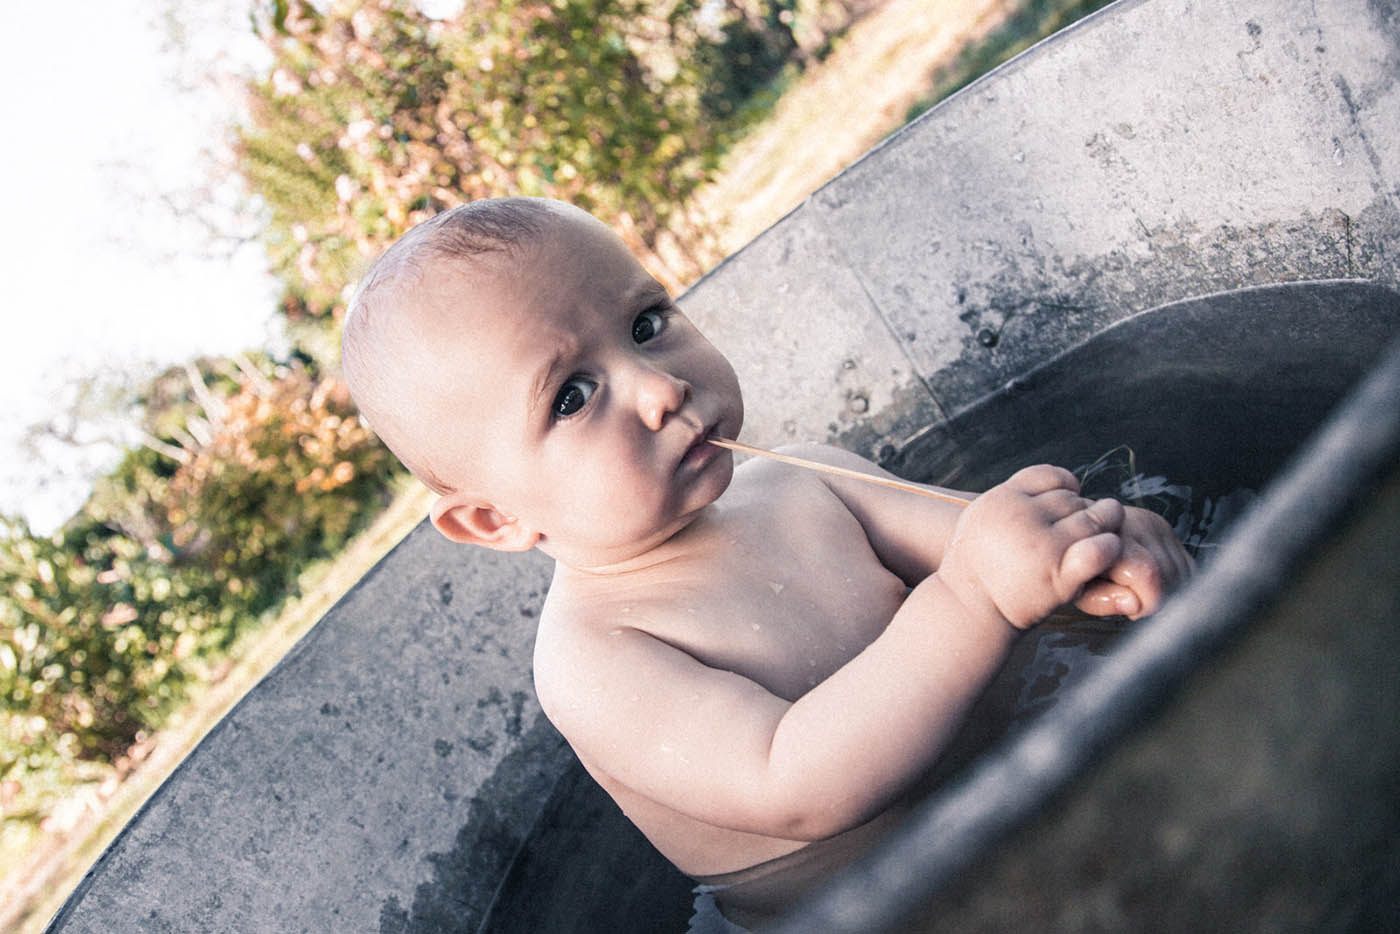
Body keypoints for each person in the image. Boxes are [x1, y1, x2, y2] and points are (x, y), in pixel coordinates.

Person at [340, 197, 1192, 929]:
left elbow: (1001, 556)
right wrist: (972, 596)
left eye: (646, 324)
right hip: (897, 907)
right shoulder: (597, 656)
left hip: (1036, 777)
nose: (658, 386)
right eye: (572, 395)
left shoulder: (806, 479)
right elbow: (795, 782)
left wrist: (1096, 556)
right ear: (494, 517)